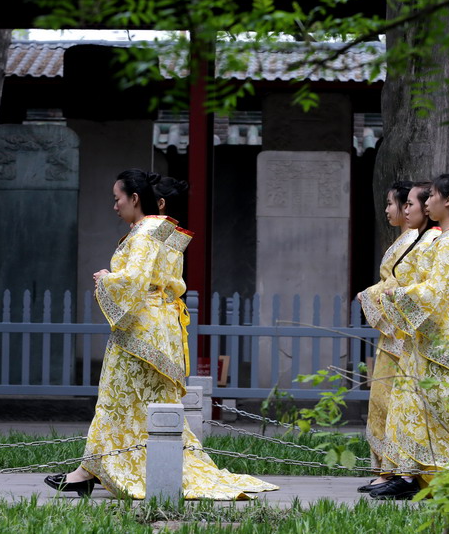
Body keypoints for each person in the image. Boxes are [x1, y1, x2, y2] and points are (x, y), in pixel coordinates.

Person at [44, 168, 278, 500]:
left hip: (139, 330)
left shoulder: (143, 231)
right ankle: (101, 469)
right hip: (162, 327)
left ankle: (92, 471)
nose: (115, 206)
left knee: (115, 400)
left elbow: (136, 279)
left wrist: (106, 279)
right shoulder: (164, 230)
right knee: (151, 403)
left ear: (135, 199)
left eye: (117, 198)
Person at [368, 174, 449, 500]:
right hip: (420, 334)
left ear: (448, 201)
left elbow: (435, 292)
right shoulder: (442, 241)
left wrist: (389, 299)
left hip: (439, 338)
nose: (426, 203)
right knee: (407, 404)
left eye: (431, 198)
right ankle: (410, 475)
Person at [357, 180, 441, 494]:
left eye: (404, 203)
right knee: (383, 401)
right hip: (395, 328)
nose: (399, 210)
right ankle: (387, 468)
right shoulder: (411, 240)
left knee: (396, 402)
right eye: (398, 204)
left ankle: (399, 471)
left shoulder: (428, 241)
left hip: (406, 330)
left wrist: (375, 296)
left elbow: (411, 284)